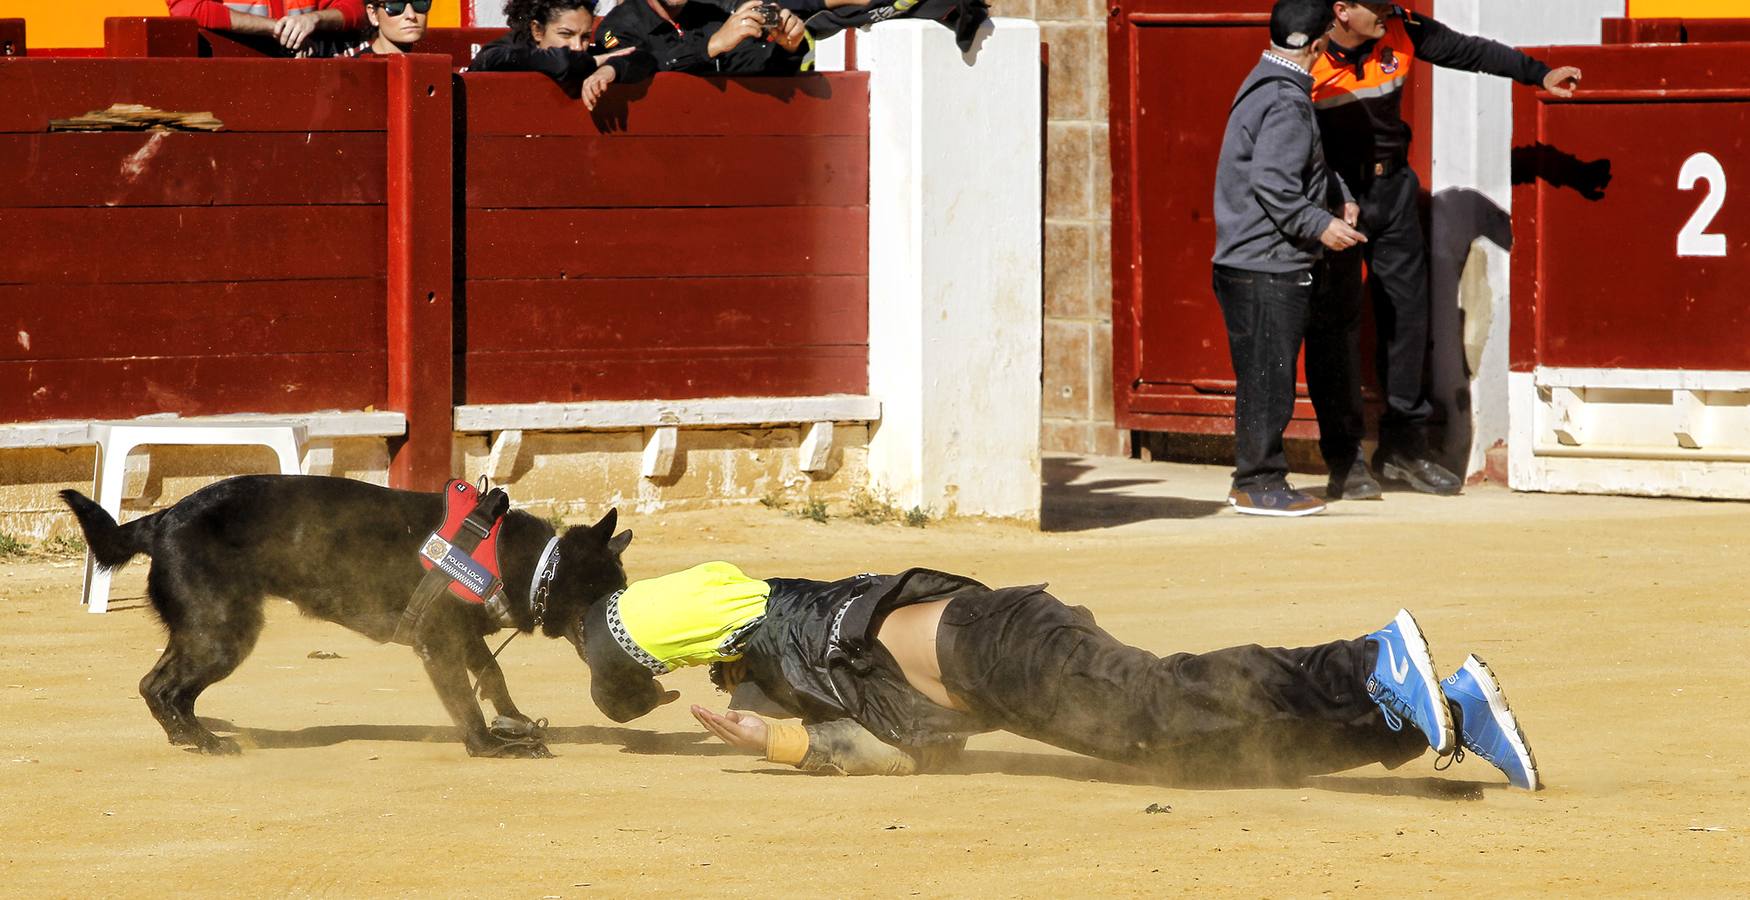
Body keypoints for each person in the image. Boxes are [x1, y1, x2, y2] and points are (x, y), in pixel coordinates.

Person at [580, 561, 1540, 790]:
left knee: (1171, 697)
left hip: (996, 643)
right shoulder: (783, 674)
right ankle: (1435, 713)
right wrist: (780, 741)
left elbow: (624, 640)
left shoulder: (759, 612)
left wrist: (599, 644)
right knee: (1201, 756)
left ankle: (1369, 660)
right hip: (1006, 686)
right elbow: (903, 756)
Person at [1309, 2, 1583, 499]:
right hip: (1333, 202)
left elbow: (1469, 49)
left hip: (1392, 192)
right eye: (1375, 5)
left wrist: (1538, 74)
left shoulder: (1402, 29)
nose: (1388, 11)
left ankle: (1403, 451)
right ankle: (1344, 457)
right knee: (1335, 327)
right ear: (1341, 10)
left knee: (1409, 319)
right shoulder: (1310, 49)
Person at [1210, 0, 1363, 517]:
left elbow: (1289, 165)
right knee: (1269, 378)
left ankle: (1257, 479)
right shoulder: (1287, 101)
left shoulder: (1266, 82)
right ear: (1320, 44)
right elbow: (1274, 181)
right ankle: (1258, 481)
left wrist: (1333, 191)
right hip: (1265, 265)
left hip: (1251, 261)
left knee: (1263, 375)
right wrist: (1323, 225)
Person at [470, 0, 658, 110]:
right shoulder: (501, 52)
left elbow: (643, 58)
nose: (577, 46)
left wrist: (609, 69)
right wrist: (593, 62)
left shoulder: (586, 54)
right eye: (565, 34)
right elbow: (562, 62)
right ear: (537, 30)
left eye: (585, 36)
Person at [594, 0, 811, 75]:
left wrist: (787, 47)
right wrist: (710, 46)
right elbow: (638, 68)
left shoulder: (711, 16)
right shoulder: (617, 27)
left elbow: (752, 68)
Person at [165, 1, 367, 56]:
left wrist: (314, 19)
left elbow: (357, 10)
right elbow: (187, 8)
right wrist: (276, 28)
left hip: (306, 80)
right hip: (238, 79)